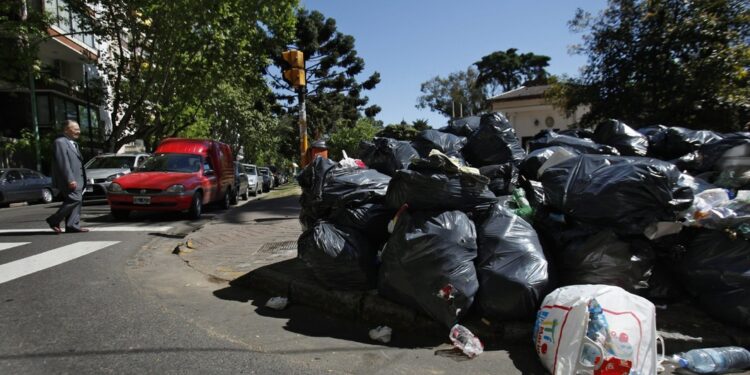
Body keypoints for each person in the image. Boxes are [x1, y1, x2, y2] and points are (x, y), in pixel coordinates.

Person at [46, 120, 89, 233]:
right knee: (75, 198)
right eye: (75, 129)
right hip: (69, 179)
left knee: (77, 201)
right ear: (66, 130)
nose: (78, 132)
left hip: (78, 179)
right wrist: (70, 179)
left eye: (79, 129)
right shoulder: (60, 142)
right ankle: (54, 220)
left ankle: (72, 225)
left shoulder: (73, 144)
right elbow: (63, 163)